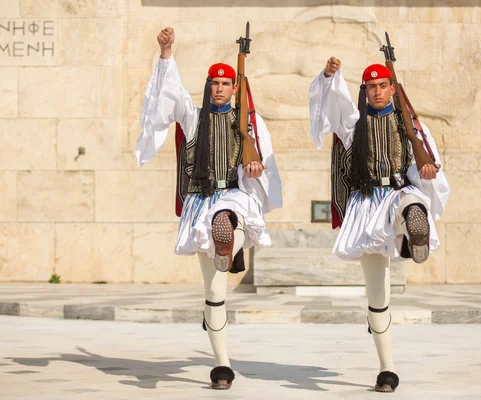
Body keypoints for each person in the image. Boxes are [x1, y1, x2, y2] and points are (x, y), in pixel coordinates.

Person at [135, 27, 282, 390]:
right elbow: (169, 94)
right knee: (215, 294)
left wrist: (255, 168)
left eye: (225, 84)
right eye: (214, 83)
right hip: (202, 202)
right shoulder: (193, 116)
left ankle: (228, 237)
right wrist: (167, 53)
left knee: (226, 217)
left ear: (235, 89)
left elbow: (265, 164)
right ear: (208, 86)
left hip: (234, 198)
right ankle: (222, 363)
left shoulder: (248, 123)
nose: (219, 88)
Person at [309, 56, 450, 393]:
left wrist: (429, 171)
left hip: (400, 191)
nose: (376, 92)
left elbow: (428, 161)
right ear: (365, 90)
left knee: (413, 202)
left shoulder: (410, 124)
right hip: (368, 205)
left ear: (391, 88)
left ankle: (410, 232)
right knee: (377, 296)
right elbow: (331, 106)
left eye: (382, 86)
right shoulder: (354, 125)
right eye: (370, 87)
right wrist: (329, 76)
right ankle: (387, 369)